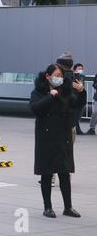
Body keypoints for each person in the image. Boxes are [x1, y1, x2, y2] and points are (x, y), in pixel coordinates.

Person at [30, 63, 85, 218]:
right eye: (56, 75)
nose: (59, 79)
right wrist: (50, 96)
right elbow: (34, 108)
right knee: (47, 173)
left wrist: (81, 92)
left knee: (64, 172)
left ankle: (68, 207)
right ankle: (48, 207)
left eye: (61, 76)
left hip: (63, 137)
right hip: (46, 138)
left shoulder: (66, 91)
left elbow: (77, 105)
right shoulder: (38, 91)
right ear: (47, 76)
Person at [72, 63, 85, 135]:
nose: (81, 70)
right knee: (75, 115)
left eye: (81, 69)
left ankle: (77, 129)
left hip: (80, 98)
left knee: (78, 115)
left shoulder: (81, 77)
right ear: (74, 70)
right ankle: (77, 129)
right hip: (74, 98)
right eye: (79, 69)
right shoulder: (73, 77)